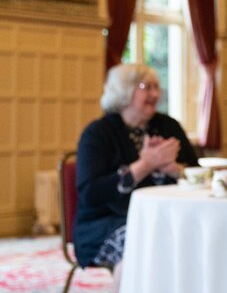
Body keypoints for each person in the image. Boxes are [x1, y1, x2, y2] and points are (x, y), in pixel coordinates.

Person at [74, 64, 199, 272]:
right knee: (142, 249)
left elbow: (198, 175)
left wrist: (175, 170)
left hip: (167, 218)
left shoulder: (169, 126)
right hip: (105, 224)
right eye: (146, 87)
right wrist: (145, 165)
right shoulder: (98, 133)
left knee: (196, 241)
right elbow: (89, 192)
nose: (155, 94)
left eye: (156, 87)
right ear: (124, 91)